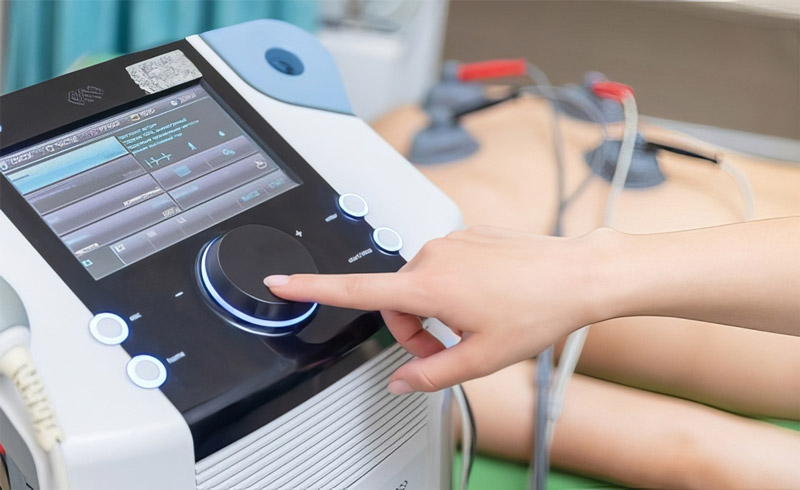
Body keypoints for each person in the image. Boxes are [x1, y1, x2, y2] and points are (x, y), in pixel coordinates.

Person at [270, 98, 800, 487]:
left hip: (395, 244)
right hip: (467, 137)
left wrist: (592, 269)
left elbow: (701, 453)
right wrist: (591, 270)